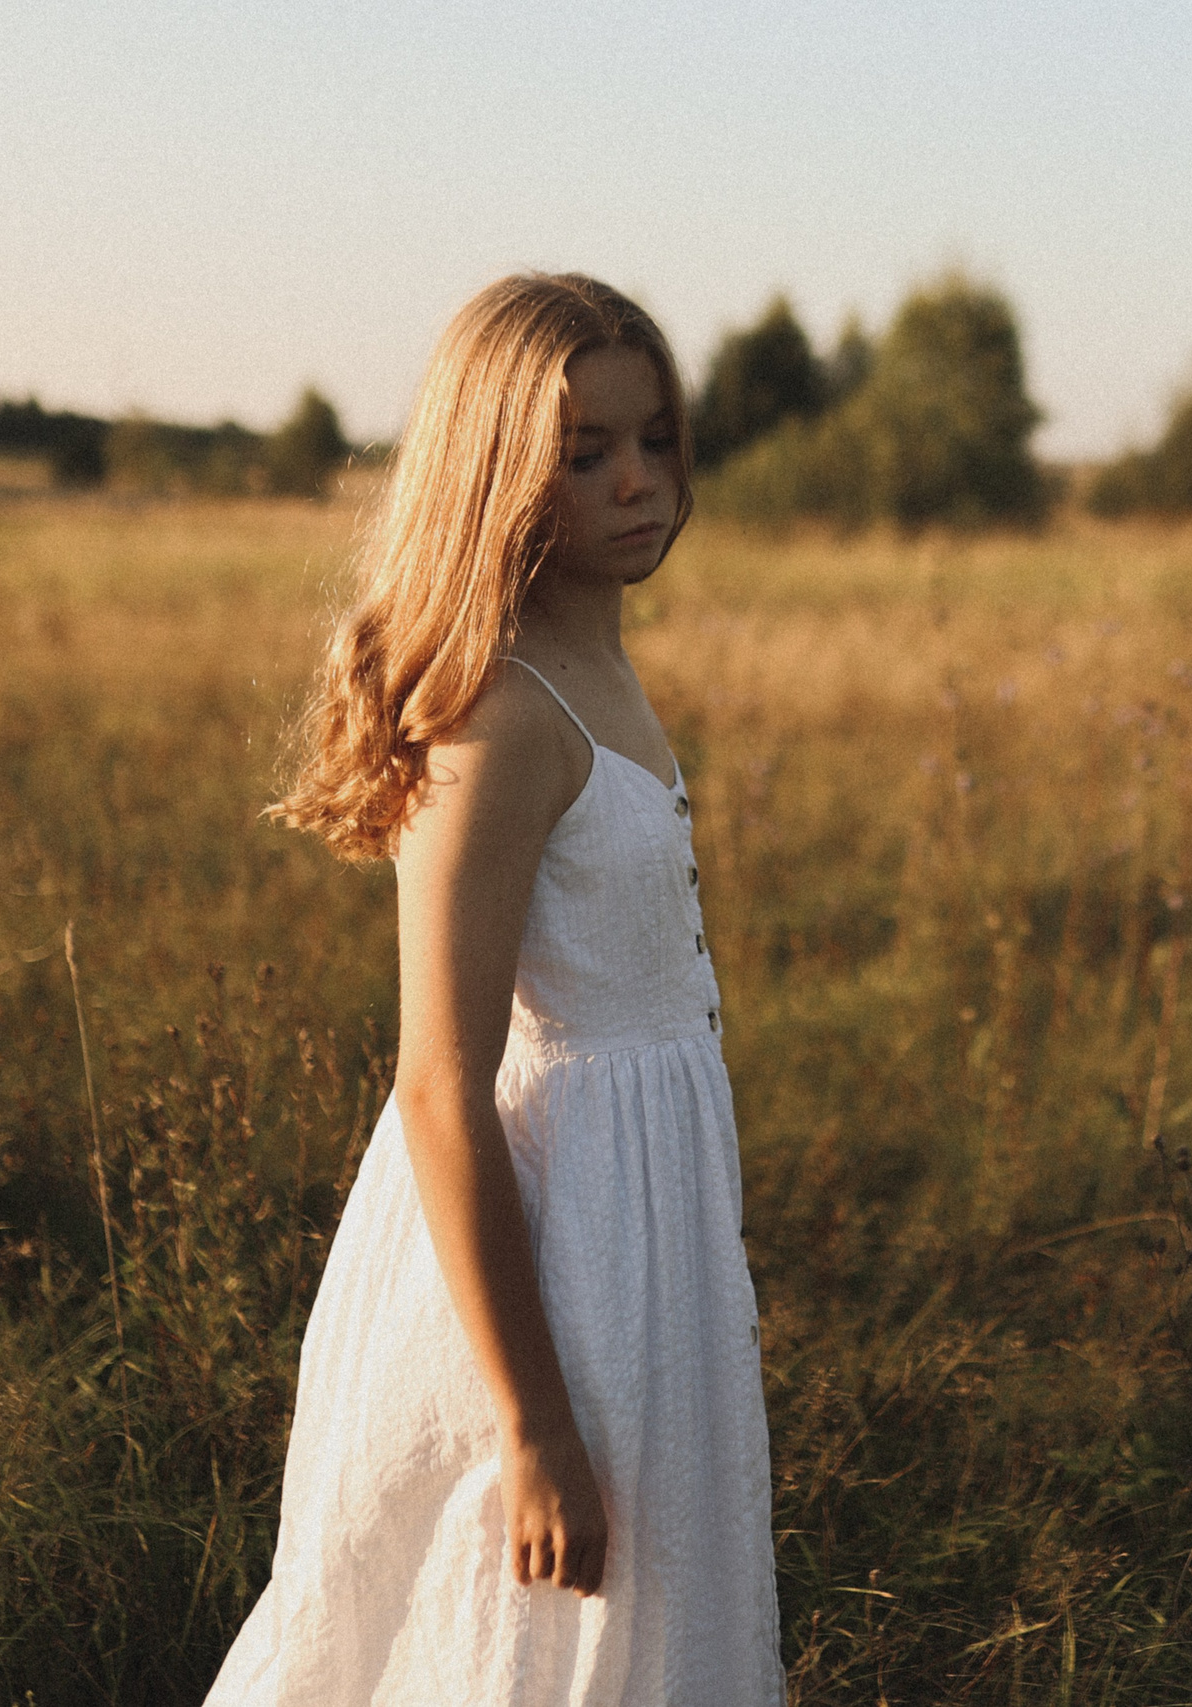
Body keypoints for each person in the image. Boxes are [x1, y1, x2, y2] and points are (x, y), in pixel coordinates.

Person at [206, 274, 781, 1705]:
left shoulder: (603, 666)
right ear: (500, 474)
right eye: (587, 454)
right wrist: (534, 1424)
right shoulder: (505, 717)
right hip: (551, 1247)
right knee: (511, 1645)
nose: (639, 481)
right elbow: (439, 1084)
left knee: (639, 1633)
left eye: (654, 438)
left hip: (647, 1227)